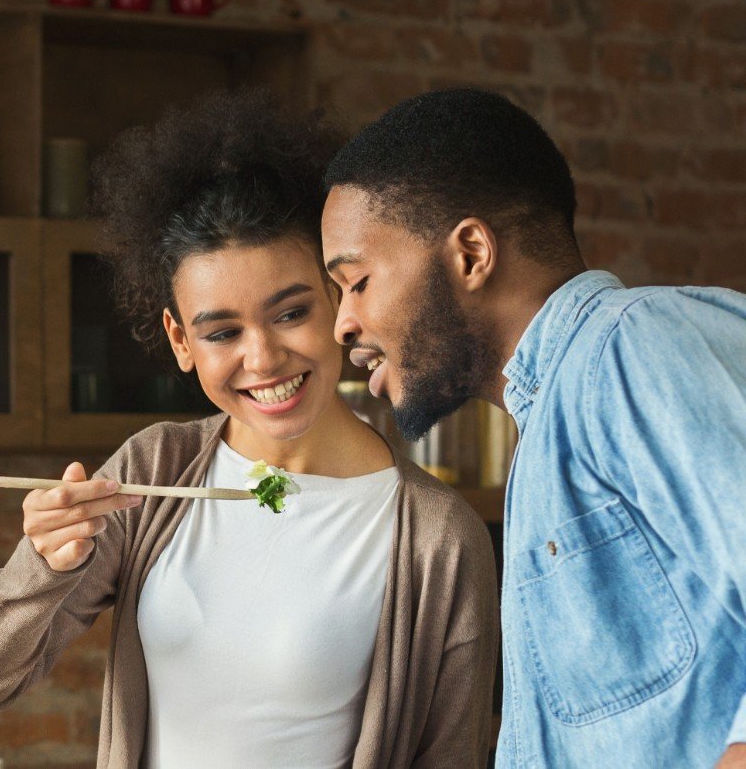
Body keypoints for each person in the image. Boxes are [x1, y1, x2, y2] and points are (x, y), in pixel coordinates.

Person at [0, 89, 497, 768]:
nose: (262, 359)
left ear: (337, 300)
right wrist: (45, 563)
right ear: (181, 340)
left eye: (291, 313)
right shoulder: (153, 472)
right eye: (222, 331)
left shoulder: (437, 540)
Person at [319, 87, 746, 768]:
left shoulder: (626, 349)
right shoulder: (551, 421)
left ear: (470, 255)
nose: (342, 322)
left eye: (358, 280)